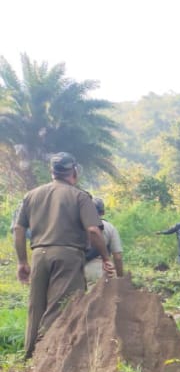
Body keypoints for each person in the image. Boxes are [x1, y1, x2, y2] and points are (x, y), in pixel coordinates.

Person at [13, 152, 113, 358]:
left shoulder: (31, 195)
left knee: (36, 306)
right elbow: (94, 231)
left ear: (52, 172)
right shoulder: (80, 196)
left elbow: (18, 229)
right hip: (68, 256)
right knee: (61, 306)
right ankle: (47, 356)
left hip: (38, 254)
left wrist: (22, 261)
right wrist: (105, 257)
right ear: (74, 172)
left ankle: (30, 353)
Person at [84, 198, 124, 285]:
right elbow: (117, 257)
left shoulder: (77, 225)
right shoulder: (109, 227)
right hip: (98, 268)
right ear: (102, 212)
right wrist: (120, 278)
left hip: (75, 268)